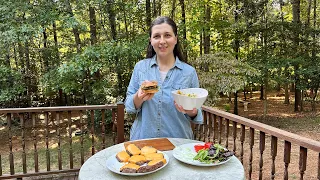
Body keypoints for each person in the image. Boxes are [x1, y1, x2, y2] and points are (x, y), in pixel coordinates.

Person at [124, 16, 203, 141]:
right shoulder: (140, 68)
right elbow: (129, 107)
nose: (162, 41)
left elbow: (196, 114)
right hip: (143, 142)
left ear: (175, 39)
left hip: (178, 143)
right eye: (156, 36)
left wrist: (190, 111)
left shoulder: (189, 72)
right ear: (150, 40)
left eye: (167, 35)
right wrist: (138, 97)